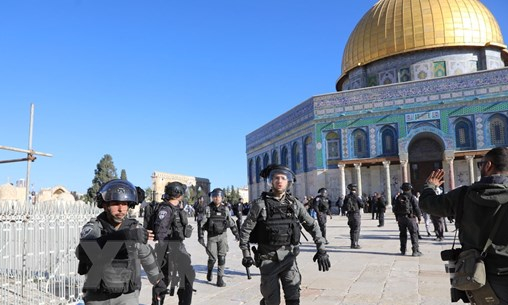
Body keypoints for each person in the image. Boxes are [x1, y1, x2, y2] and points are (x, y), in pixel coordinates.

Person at [419, 147, 508, 304]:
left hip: (476, 275)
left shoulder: (463, 195)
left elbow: (428, 204)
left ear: (488, 165)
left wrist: (430, 186)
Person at [240, 164, 331, 305]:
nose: (280, 181)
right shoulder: (260, 205)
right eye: (276, 178)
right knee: (272, 301)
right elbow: (245, 231)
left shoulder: (294, 204)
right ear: (271, 181)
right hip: (267, 260)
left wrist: (322, 249)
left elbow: (312, 225)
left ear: (288, 182)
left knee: (294, 299)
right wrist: (246, 254)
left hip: (289, 259)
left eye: (283, 178)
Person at [75, 179, 166, 305]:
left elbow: (146, 255)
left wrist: (158, 281)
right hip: (97, 296)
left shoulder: (134, 228)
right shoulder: (94, 227)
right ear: (105, 205)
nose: (121, 209)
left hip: (127, 296)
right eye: (116, 203)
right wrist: (125, 236)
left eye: (124, 204)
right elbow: (83, 251)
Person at [151, 181, 195, 305]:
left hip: (178, 246)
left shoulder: (176, 208)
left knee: (187, 275)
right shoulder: (166, 209)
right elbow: (160, 232)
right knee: (163, 280)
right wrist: (167, 251)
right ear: (178, 193)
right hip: (167, 249)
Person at [198, 188, 240, 287]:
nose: (217, 198)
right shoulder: (208, 209)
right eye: (215, 196)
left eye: (219, 196)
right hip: (211, 237)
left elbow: (231, 222)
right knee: (212, 258)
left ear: (222, 197)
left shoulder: (225, 209)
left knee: (222, 257)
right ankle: (209, 271)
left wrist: (236, 234)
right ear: (212, 197)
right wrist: (200, 236)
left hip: (222, 236)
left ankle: (220, 278)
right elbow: (201, 223)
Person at [392, 183, 422, 256]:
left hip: (401, 218)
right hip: (410, 218)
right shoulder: (412, 197)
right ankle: (415, 251)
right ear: (410, 189)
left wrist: (397, 217)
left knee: (402, 234)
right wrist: (419, 217)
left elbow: (395, 209)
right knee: (414, 234)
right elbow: (416, 207)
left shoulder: (399, 197)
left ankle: (403, 250)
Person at [343, 183, 364, 249]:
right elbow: (362, 205)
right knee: (356, 229)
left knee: (352, 229)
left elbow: (344, 206)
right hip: (356, 214)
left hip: (349, 215)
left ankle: (352, 243)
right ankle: (355, 244)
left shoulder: (347, 197)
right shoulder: (356, 196)